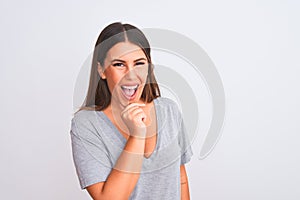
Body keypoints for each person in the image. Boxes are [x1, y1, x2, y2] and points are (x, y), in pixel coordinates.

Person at [70, 22, 193, 200]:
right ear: (102, 70)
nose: (131, 74)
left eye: (139, 63)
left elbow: (180, 179)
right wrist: (137, 135)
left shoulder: (169, 110)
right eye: (119, 64)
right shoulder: (86, 125)